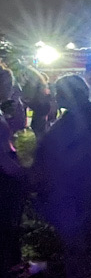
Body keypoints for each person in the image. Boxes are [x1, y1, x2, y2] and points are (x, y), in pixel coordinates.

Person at [1, 75, 91, 277]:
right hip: (89, 188)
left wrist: (39, 176)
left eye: (59, 93)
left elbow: (67, 158)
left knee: (76, 245)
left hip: (74, 192)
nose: (55, 97)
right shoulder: (90, 117)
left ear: (72, 95)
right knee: (85, 242)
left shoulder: (75, 124)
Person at [0, 66, 23, 276]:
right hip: (5, 179)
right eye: (9, 84)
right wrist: (24, 176)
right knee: (7, 227)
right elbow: (3, 157)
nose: (12, 88)